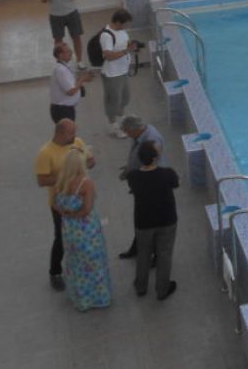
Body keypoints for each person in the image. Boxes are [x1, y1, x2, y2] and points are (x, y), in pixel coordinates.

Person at [34, 118, 95, 291]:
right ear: (60, 133)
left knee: (83, 237)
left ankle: (82, 269)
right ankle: (55, 272)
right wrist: (66, 175)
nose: (74, 136)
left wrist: (80, 168)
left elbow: (91, 161)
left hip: (81, 198)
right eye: (71, 133)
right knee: (61, 237)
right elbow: (42, 180)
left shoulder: (78, 142)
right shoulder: (46, 153)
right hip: (60, 204)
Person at [52, 147, 113, 311]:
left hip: (69, 230)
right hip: (87, 231)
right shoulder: (86, 183)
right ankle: (98, 298)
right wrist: (74, 214)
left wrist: (65, 213)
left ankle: (81, 299)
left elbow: (54, 204)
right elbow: (86, 209)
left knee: (77, 264)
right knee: (94, 263)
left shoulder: (60, 181)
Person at [127, 140, 180, 301]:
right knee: (164, 254)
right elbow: (176, 184)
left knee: (143, 253)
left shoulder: (133, 177)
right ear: (155, 157)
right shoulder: (168, 174)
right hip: (166, 220)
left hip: (144, 221)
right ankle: (162, 289)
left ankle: (141, 286)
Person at [117, 115, 167, 261]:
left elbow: (153, 163)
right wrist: (129, 168)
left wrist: (135, 175)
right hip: (141, 185)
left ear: (134, 129)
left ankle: (157, 255)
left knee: (151, 222)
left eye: (127, 131)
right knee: (141, 220)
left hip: (151, 188)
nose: (127, 135)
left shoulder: (152, 139)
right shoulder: (140, 135)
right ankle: (138, 247)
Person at [99, 8, 138, 138]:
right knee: (113, 101)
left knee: (124, 97)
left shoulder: (122, 31)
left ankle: (122, 121)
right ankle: (113, 126)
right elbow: (109, 56)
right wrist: (127, 51)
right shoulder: (106, 36)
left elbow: (125, 45)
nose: (127, 26)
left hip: (122, 71)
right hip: (112, 74)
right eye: (125, 24)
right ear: (117, 22)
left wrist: (133, 47)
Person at [41, 0, 85, 70]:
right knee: (58, 40)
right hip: (55, 16)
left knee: (76, 37)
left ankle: (79, 61)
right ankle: (61, 63)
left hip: (71, 13)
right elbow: (43, 0)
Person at [48, 41, 91, 123]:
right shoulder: (61, 70)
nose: (71, 53)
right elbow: (70, 91)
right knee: (67, 131)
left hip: (66, 109)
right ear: (60, 55)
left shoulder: (64, 66)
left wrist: (81, 79)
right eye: (68, 51)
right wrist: (82, 80)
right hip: (63, 110)